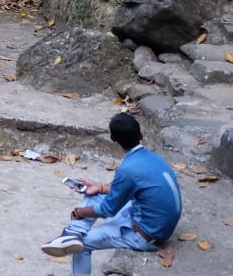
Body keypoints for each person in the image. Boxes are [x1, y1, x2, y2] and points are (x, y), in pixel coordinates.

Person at [40, 112, 183, 275]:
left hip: (146, 236)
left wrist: (79, 212)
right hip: (158, 222)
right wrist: (100, 187)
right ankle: (74, 232)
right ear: (141, 134)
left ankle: (74, 235)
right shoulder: (153, 158)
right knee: (92, 193)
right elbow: (136, 189)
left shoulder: (127, 169)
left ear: (112, 138)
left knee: (82, 245)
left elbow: (108, 210)